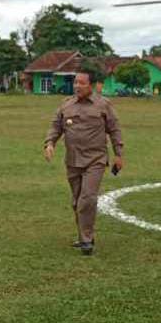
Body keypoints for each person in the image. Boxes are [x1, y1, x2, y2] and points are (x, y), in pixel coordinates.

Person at [42, 67, 124, 256]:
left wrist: (118, 154)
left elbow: (115, 130)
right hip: (72, 160)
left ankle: (87, 241)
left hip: (95, 160)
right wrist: (49, 143)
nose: (77, 86)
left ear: (92, 86)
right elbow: (55, 126)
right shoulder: (66, 105)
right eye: (75, 82)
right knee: (76, 201)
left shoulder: (103, 105)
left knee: (87, 199)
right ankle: (84, 236)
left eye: (81, 83)